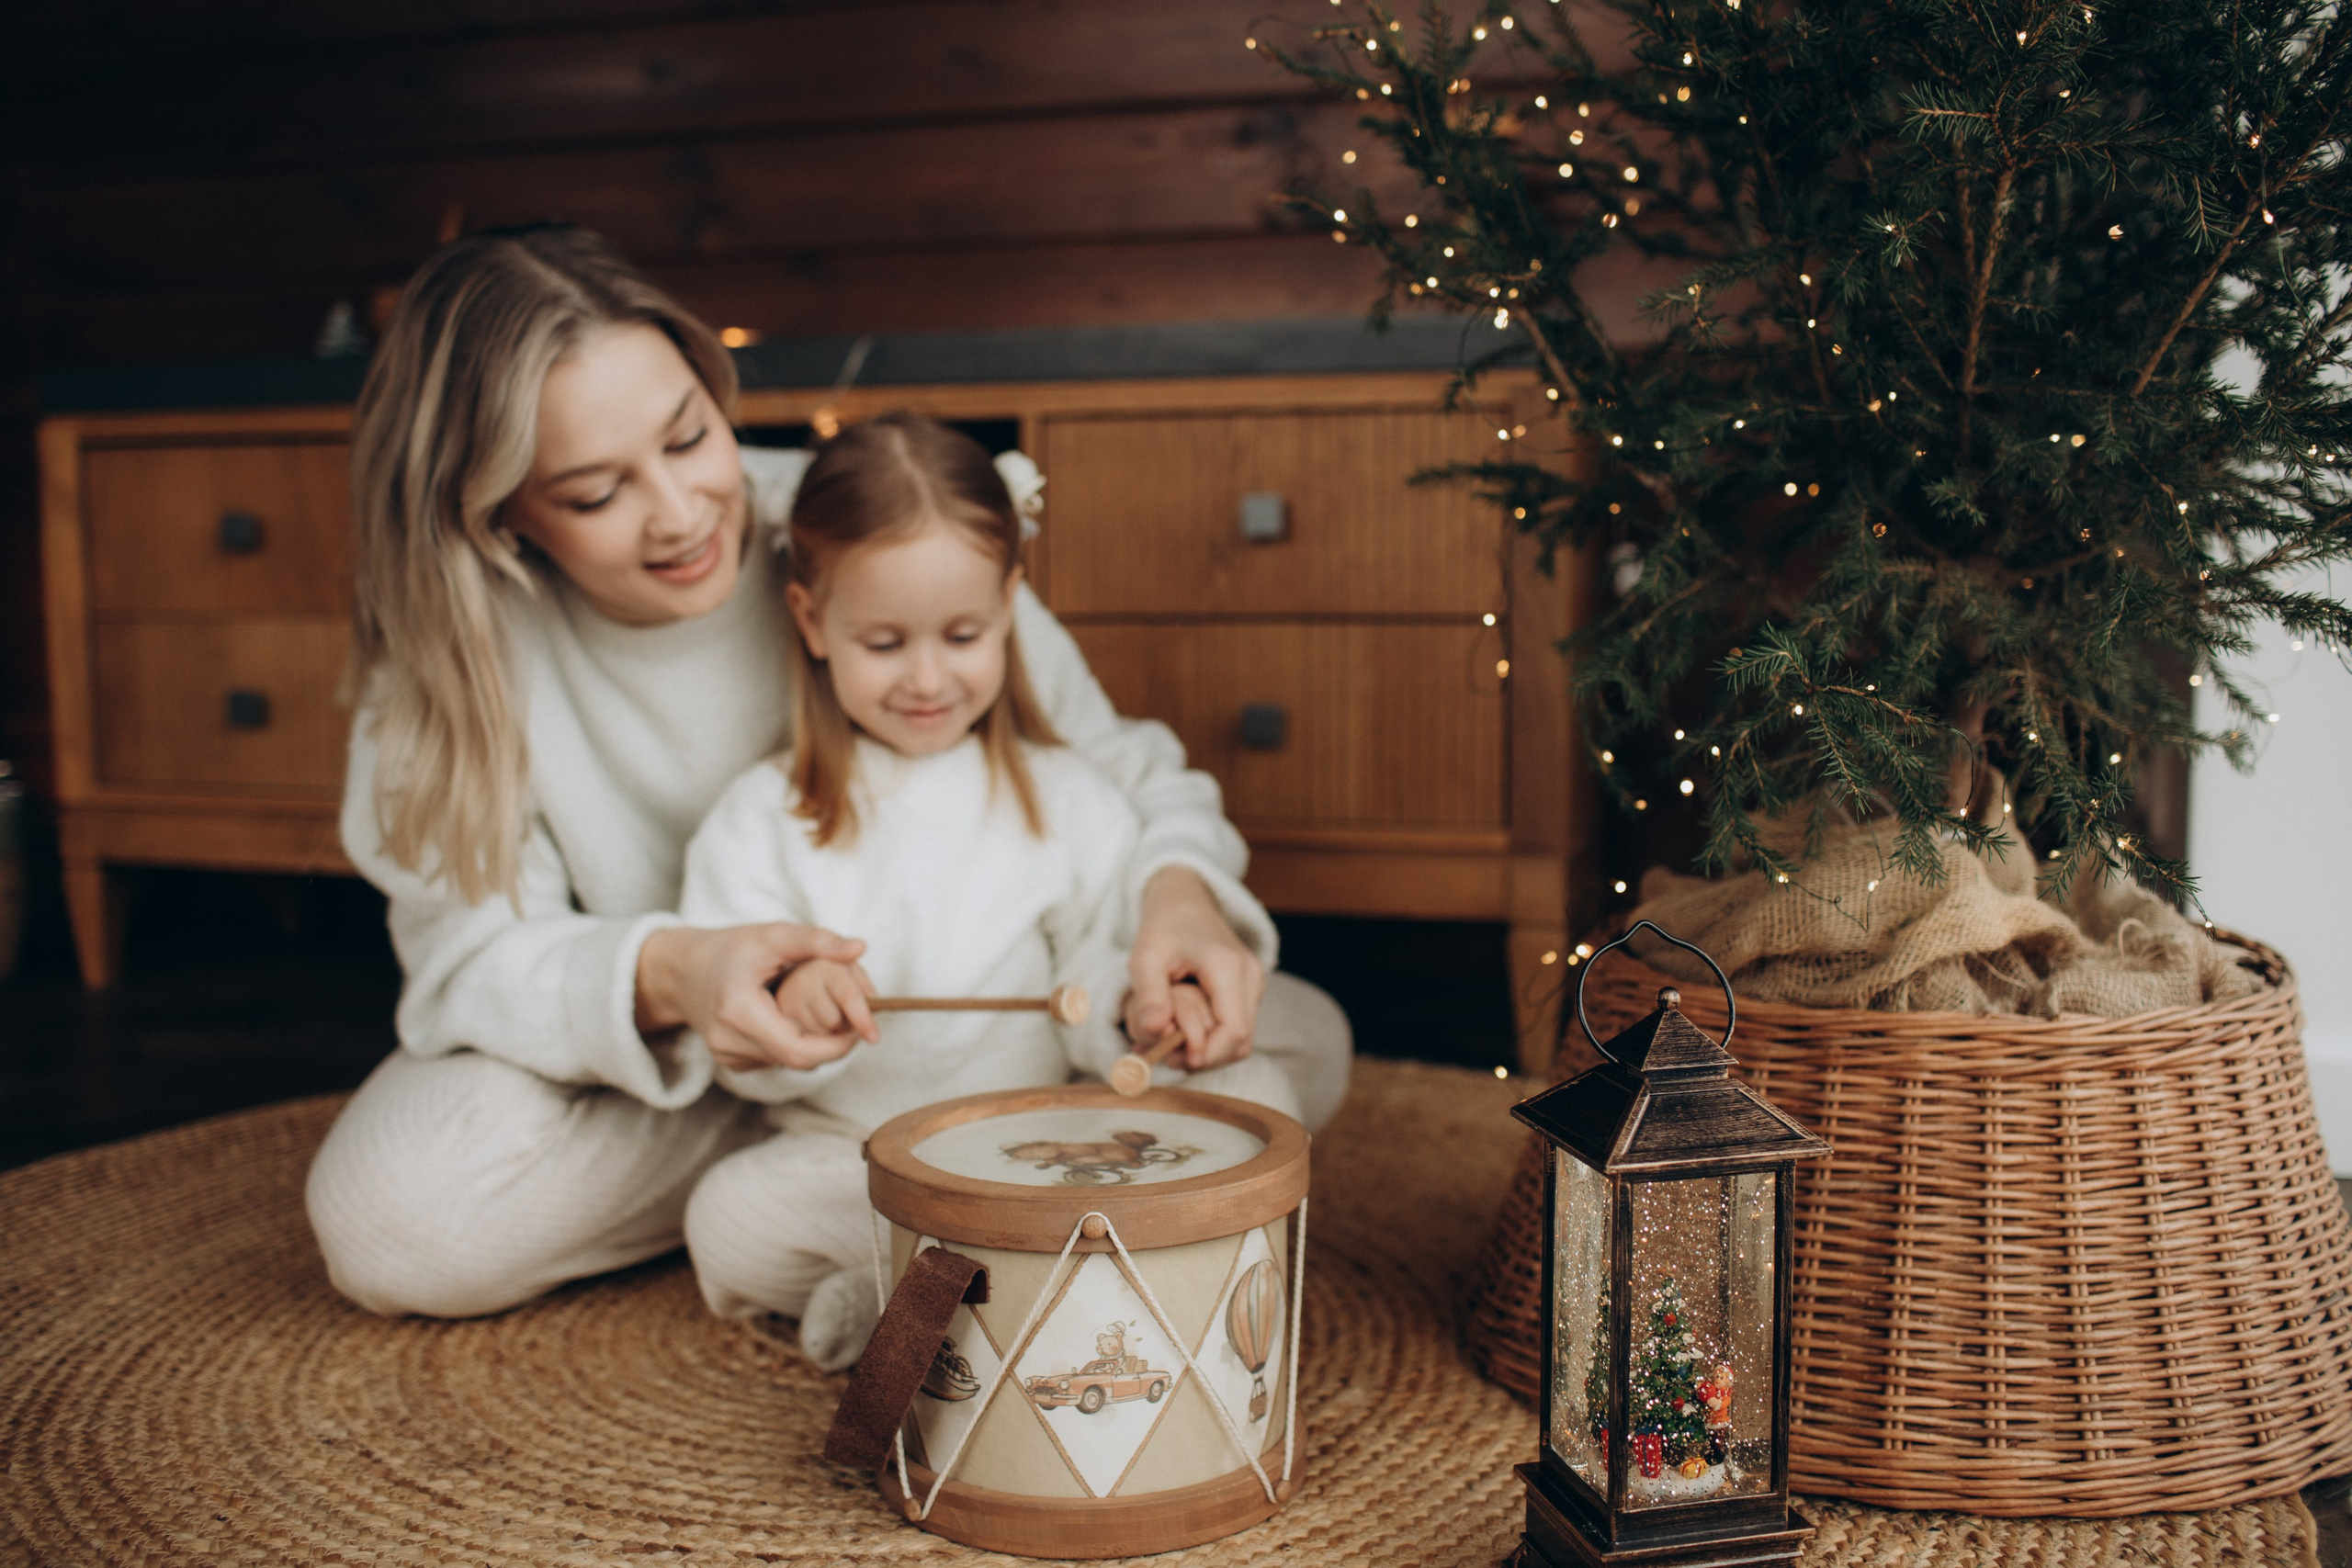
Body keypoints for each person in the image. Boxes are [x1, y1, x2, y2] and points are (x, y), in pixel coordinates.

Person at [303, 224, 1351, 1321]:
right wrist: (681, 977)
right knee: (393, 1223)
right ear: (495, 508)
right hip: (686, 1077)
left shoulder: (862, 525)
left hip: (992, 1033)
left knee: (1288, 1038)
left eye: (688, 436)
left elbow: (1113, 772)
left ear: (714, 390)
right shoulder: (448, 653)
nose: (678, 513)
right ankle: (965, 1211)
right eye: (594, 493)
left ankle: (929, 1209)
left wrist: (1178, 898)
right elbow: (466, 961)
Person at [674, 412, 1304, 1367]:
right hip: (861, 1157)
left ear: (1011, 606)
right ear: (811, 620)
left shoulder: (1067, 796)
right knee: (729, 1215)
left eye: (963, 635)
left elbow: (1100, 963)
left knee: (1262, 1092)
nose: (927, 678)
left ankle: (940, 1294)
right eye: (883, 643)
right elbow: (736, 1030)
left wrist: (1134, 1019)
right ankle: (1037, 1292)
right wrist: (790, 1012)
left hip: (1051, 1153)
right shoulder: (757, 819)